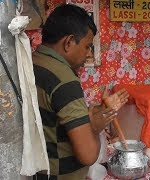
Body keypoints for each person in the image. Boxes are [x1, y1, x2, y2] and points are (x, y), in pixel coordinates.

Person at [32, 4, 118, 179]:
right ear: (69, 42)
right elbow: (87, 155)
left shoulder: (35, 61)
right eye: (87, 46)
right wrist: (93, 126)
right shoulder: (64, 79)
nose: (88, 54)